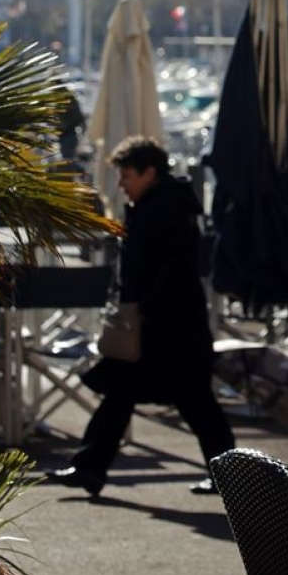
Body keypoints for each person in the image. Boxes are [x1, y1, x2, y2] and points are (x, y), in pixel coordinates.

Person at [49, 136, 234, 497]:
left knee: (193, 401)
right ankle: (90, 467)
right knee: (131, 394)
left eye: (127, 175)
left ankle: (230, 474)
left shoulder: (165, 207)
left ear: (149, 173)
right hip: (159, 323)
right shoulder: (160, 202)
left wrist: (144, 306)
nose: (121, 184)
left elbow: (173, 266)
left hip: (169, 325)